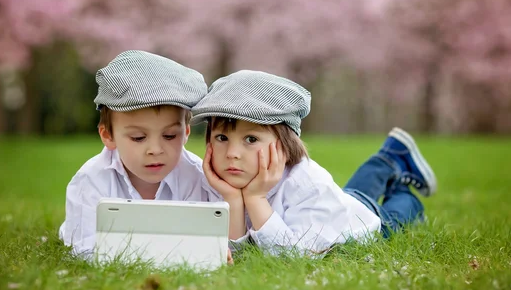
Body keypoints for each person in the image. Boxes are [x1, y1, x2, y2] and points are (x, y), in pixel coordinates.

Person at [190, 70, 437, 256]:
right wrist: (232, 200)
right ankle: (389, 158)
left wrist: (255, 199)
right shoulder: (219, 180)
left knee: (391, 217)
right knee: (351, 195)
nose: (232, 153)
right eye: (221, 138)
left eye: (251, 139)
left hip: (358, 222)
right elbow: (235, 256)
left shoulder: (308, 184)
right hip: (337, 205)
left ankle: (405, 193)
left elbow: (292, 256)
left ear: (284, 145)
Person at [59, 50, 217, 257]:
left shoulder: (195, 176)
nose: (155, 150)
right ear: (108, 136)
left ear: (186, 132)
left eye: (169, 136)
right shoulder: (90, 180)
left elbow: (202, 242)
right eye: (138, 138)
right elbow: (84, 250)